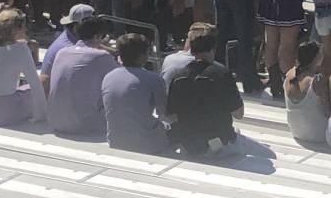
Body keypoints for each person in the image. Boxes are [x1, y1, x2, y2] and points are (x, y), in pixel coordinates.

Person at [164, 24, 241, 158]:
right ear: (213, 49)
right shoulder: (222, 73)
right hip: (218, 142)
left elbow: (171, 115)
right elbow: (238, 113)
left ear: (191, 50)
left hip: (189, 143)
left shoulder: (178, 75)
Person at [46, 14, 117, 138]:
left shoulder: (62, 52)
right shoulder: (101, 56)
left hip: (55, 121)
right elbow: (120, 82)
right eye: (103, 37)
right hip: (83, 125)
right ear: (96, 36)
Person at [0, 11, 44, 128]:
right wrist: (41, 116)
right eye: (24, 27)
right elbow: (36, 85)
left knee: (20, 90)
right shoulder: (20, 49)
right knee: (40, 87)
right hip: (7, 115)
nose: (26, 30)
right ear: (16, 30)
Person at [101, 33, 168, 153]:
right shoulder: (154, 79)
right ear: (143, 56)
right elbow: (163, 113)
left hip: (116, 141)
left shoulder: (108, 77)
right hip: (146, 144)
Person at [282, 35, 329, 149]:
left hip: (296, 130)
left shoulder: (289, 74)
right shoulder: (317, 81)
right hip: (316, 134)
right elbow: (327, 111)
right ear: (316, 58)